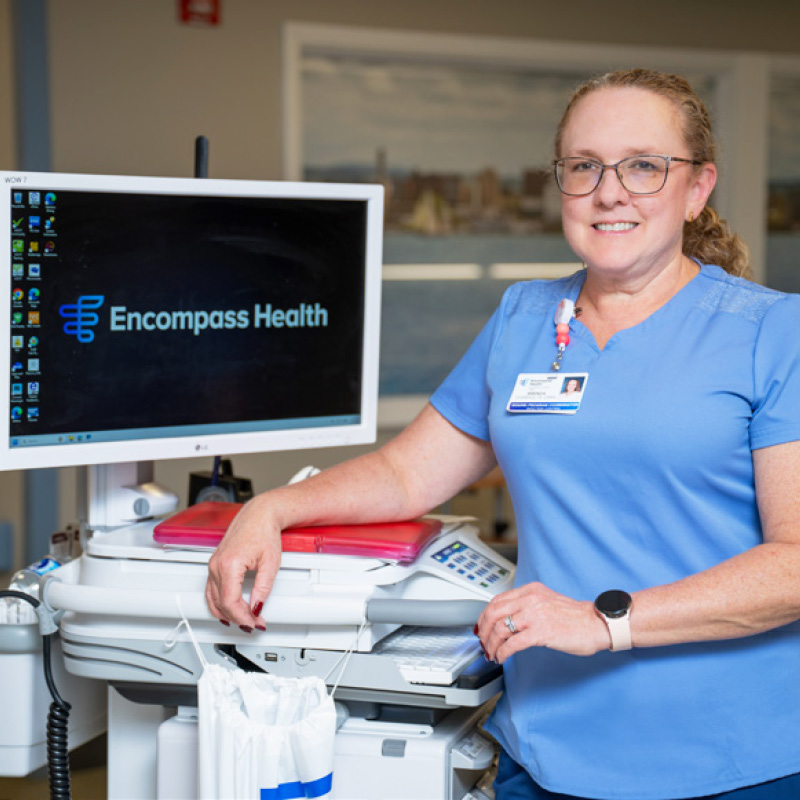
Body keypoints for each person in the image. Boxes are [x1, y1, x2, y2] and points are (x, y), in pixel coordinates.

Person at [206, 69, 800, 799]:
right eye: (584, 167)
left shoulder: (773, 332)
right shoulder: (524, 319)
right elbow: (406, 473)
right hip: (546, 748)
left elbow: (795, 563)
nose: (609, 191)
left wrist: (603, 621)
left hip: (731, 758)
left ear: (697, 187)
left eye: (644, 166)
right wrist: (268, 509)